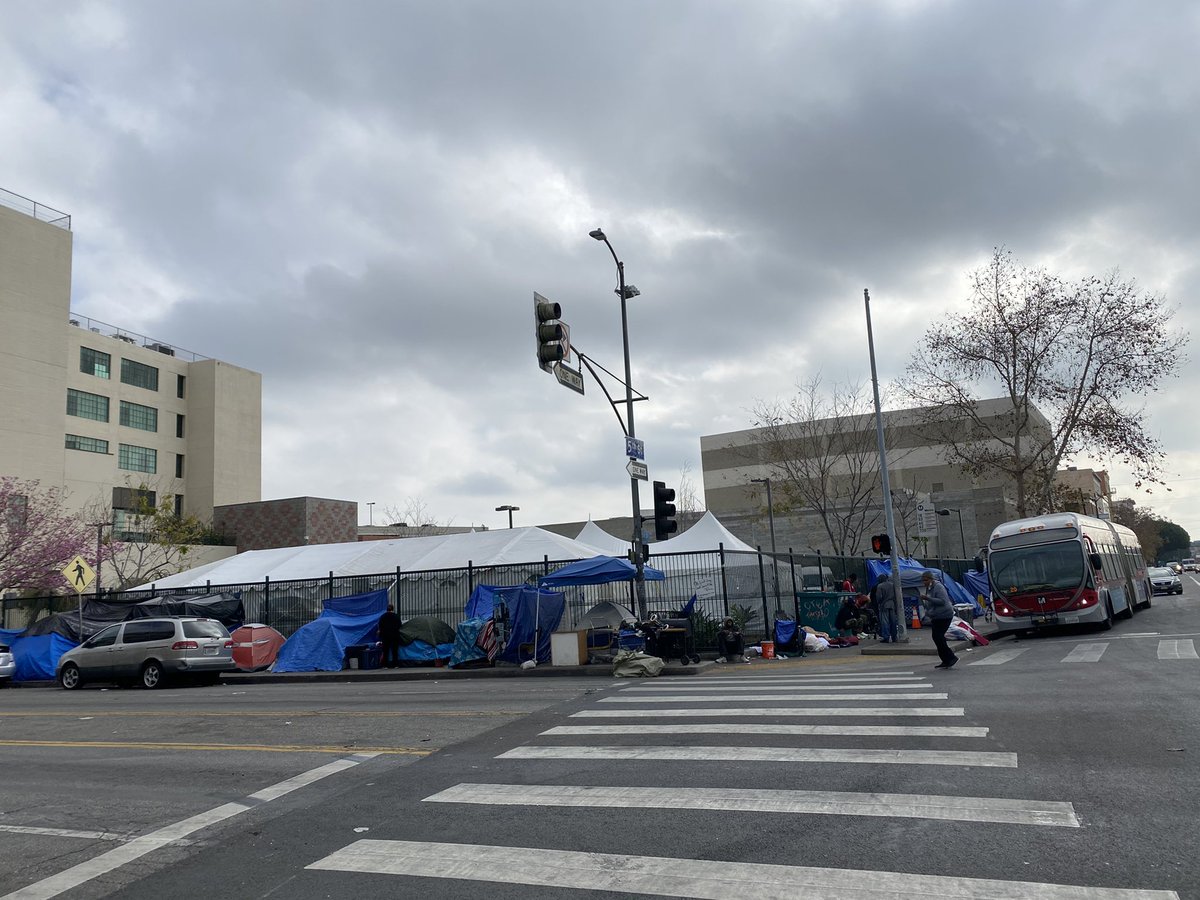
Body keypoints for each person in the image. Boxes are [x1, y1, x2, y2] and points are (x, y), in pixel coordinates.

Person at [921, 571, 958, 669]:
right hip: (936, 616)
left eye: (926, 580)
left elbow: (942, 601)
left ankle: (950, 657)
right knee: (937, 637)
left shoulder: (938, 587)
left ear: (931, 579)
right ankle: (946, 659)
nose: (924, 582)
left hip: (944, 615)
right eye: (923, 580)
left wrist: (928, 599)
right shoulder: (929, 588)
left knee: (938, 637)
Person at [872, 573, 899, 643]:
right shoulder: (892, 585)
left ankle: (886, 637)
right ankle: (894, 637)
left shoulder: (880, 586)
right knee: (893, 622)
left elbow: (879, 597)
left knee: (885, 622)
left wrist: (879, 603)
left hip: (884, 605)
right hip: (892, 604)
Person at [377, 603, 403, 668]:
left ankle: (385, 665)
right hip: (394, 636)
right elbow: (400, 625)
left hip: (385, 636)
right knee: (394, 651)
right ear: (392, 609)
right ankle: (395, 665)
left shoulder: (383, 616)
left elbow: (380, 626)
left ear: (387, 609)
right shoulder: (396, 616)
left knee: (385, 651)